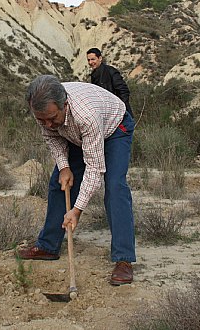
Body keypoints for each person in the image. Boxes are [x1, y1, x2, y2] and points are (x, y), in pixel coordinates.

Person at [18, 75, 136, 285]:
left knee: (115, 186)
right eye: (41, 120)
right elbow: (52, 137)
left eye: (52, 118)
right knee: (59, 183)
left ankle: (123, 260)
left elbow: (95, 169)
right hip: (75, 133)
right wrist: (64, 166)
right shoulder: (45, 112)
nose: (47, 124)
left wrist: (77, 210)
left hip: (114, 128)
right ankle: (48, 246)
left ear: (64, 104)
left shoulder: (85, 115)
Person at [86, 47, 133, 117]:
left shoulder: (111, 71)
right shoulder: (94, 75)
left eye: (93, 59)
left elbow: (123, 91)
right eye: (88, 60)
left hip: (120, 115)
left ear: (100, 58)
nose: (90, 62)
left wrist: (120, 110)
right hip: (107, 115)